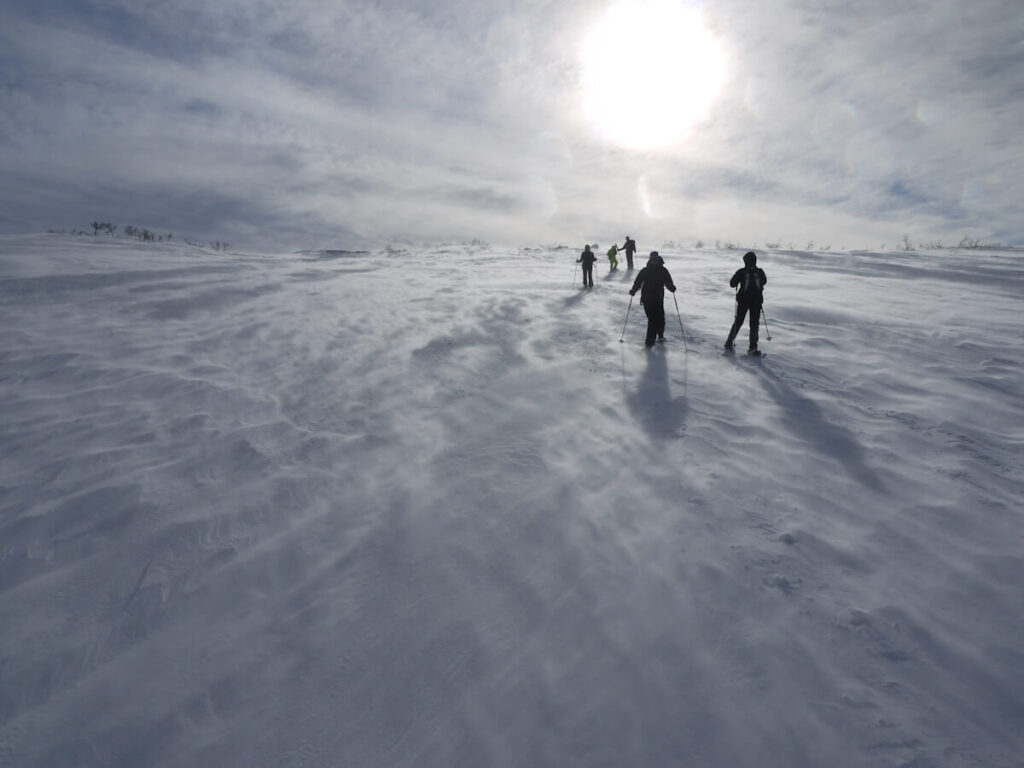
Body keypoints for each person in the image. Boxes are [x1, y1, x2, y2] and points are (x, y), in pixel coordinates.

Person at [629, 251, 676, 347]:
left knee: (660, 318)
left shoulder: (663, 271)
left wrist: (671, 287)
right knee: (652, 319)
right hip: (647, 299)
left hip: (658, 298)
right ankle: (650, 341)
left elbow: (668, 282)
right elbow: (638, 282)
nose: (653, 261)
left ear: (658, 259)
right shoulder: (645, 271)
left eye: (655, 259)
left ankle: (660, 336)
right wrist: (633, 290)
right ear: (650, 260)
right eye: (652, 259)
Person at [724, 251, 767, 353]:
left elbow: (732, 284)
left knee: (738, 321)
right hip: (756, 301)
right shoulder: (759, 271)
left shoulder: (741, 272)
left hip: (743, 301)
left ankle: (729, 343)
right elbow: (764, 281)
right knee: (754, 325)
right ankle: (753, 347)